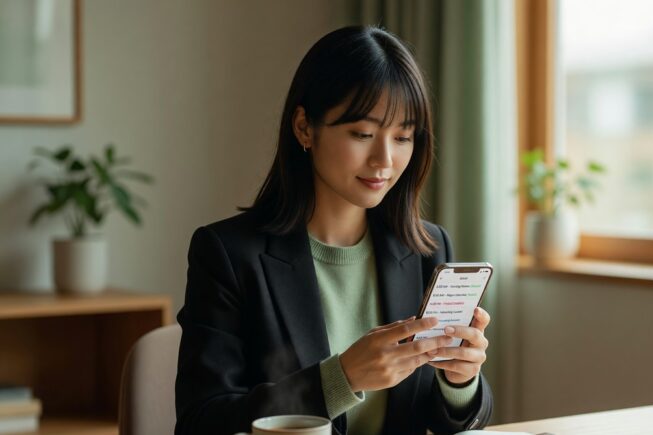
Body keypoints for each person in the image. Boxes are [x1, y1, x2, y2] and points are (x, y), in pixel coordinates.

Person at [174, 25, 493, 435]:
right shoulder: (228, 254)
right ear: (305, 127)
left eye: (403, 137)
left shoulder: (426, 248)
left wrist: (460, 380)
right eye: (362, 134)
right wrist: (340, 380)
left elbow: (444, 418)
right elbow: (202, 422)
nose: (385, 159)